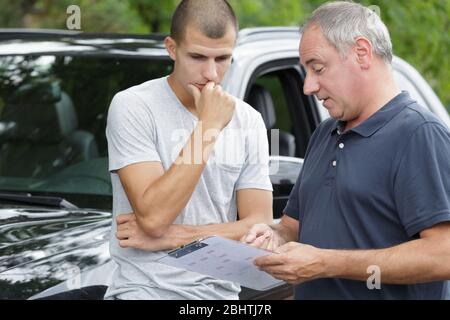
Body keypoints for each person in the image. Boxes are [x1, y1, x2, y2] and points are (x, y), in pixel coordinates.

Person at [242, 1, 450, 300]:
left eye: (317, 68)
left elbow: (443, 255)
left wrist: (325, 264)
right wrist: (272, 236)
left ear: (361, 53)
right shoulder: (325, 133)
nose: (308, 86)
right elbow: (292, 228)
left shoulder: (419, 134)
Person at [104, 0, 273, 300]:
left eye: (222, 58)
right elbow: (155, 217)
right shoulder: (133, 107)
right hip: (144, 291)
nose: (211, 73)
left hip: (220, 296)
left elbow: (258, 226)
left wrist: (176, 237)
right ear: (172, 48)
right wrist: (208, 127)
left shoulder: (249, 120)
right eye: (197, 56)